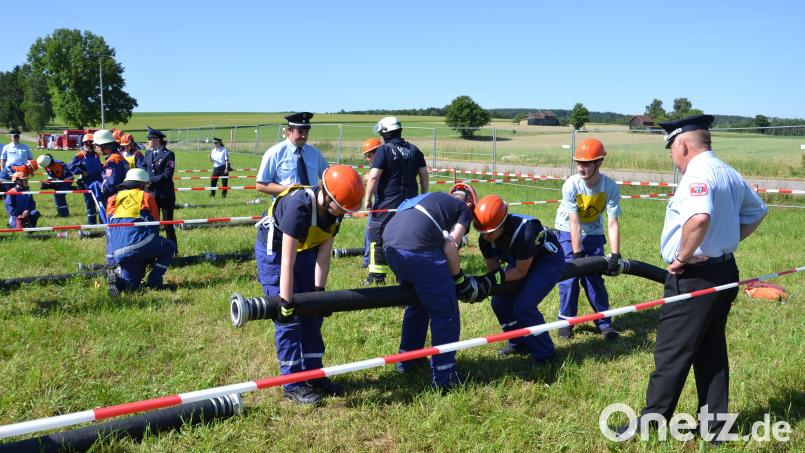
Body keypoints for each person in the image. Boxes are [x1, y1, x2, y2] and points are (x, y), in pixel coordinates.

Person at [617, 115, 768, 441]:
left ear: (682, 144)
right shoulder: (728, 172)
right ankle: (716, 428)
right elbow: (757, 211)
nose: (671, 156)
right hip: (724, 271)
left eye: (671, 148)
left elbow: (699, 218)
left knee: (671, 352)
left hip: (694, 277)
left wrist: (682, 257)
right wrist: (727, 240)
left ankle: (650, 425)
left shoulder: (698, 174)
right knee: (711, 350)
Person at [254, 165, 364, 404]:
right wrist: (285, 300)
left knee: (313, 317)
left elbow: (324, 254)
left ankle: (314, 375)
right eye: (341, 208)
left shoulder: (335, 211)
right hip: (276, 255)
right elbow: (286, 261)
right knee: (289, 320)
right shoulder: (299, 208)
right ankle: (292, 383)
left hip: (307, 250)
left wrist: (318, 293)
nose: (343, 213)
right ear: (328, 197)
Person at [381, 183, 477, 391]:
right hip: (419, 250)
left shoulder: (427, 198)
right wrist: (458, 279)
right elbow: (450, 246)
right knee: (446, 311)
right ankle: (445, 377)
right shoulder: (463, 209)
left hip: (390, 247)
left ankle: (408, 360)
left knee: (418, 304)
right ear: (470, 202)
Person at [472, 194, 565, 364]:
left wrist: (491, 280)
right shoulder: (485, 239)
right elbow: (495, 271)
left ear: (502, 223)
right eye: (482, 232)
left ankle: (546, 355)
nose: (486, 236)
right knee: (499, 302)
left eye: (490, 232)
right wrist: (488, 283)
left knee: (524, 307)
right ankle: (519, 342)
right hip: (520, 259)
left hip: (547, 260)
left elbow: (521, 272)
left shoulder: (525, 232)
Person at [554, 138, 621, 341]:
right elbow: (574, 223)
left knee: (594, 280)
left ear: (599, 162)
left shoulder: (610, 187)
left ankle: (604, 323)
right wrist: (576, 255)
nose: (581, 168)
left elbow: (612, 223)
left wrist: (615, 255)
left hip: (593, 233)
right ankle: (566, 322)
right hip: (566, 230)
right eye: (579, 163)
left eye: (586, 163)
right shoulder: (571, 185)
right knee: (569, 278)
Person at [363, 116, 429, 285]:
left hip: (387, 203)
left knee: (376, 236)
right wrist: (422, 197)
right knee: (406, 238)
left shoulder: (384, 150)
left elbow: (374, 176)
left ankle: (377, 277)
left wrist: (368, 198)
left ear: (385, 133)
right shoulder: (415, 150)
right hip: (411, 203)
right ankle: (405, 277)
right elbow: (424, 175)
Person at [106, 168, 176, 296]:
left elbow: (109, 231)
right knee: (169, 247)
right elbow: (154, 226)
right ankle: (154, 283)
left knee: (132, 286)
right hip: (139, 244)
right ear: (142, 184)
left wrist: (111, 259)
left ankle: (118, 282)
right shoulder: (146, 197)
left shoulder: (113, 199)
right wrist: (149, 253)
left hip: (118, 251)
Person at [256, 112, 329, 197]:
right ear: (289, 131)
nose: (304, 136)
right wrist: (287, 189)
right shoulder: (274, 153)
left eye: (306, 132)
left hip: (312, 207)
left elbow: (328, 177)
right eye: (300, 132)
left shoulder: (314, 153)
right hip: (286, 208)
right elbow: (260, 185)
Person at [143, 127, 178, 252]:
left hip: (165, 195)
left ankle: (173, 250)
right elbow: (142, 168)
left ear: (156, 139)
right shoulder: (147, 153)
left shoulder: (168, 154)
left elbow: (167, 174)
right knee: (153, 224)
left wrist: (150, 180)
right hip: (152, 195)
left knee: (168, 224)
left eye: (149, 139)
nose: (147, 141)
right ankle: (155, 249)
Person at [91, 130, 130, 225]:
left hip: (114, 197)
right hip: (122, 195)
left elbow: (111, 183)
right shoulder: (117, 156)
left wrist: (98, 186)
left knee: (113, 224)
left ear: (103, 145)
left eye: (97, 145)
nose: (96, 148)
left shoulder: (113, 160)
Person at [68, 134, 103, 224]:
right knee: (90, 203)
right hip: (87, 182)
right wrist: (81, 172)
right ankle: (91, 224)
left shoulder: (97, 155)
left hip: (99, 181)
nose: (88, 145)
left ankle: (103, 223)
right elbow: (70, 167)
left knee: (101, 203)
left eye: (91, 143)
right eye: (86, 143)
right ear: (83, 144)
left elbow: (100, 166)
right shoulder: (80, 155)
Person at [360, 137, 382, 268]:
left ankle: (368, 261)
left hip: (382, 206)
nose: (368, 158)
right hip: (377, 204)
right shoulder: (375, 167)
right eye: (366, 155)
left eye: (370, 154)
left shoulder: (382, 166)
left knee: (371, 232)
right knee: (370, 232)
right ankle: (367, 260)